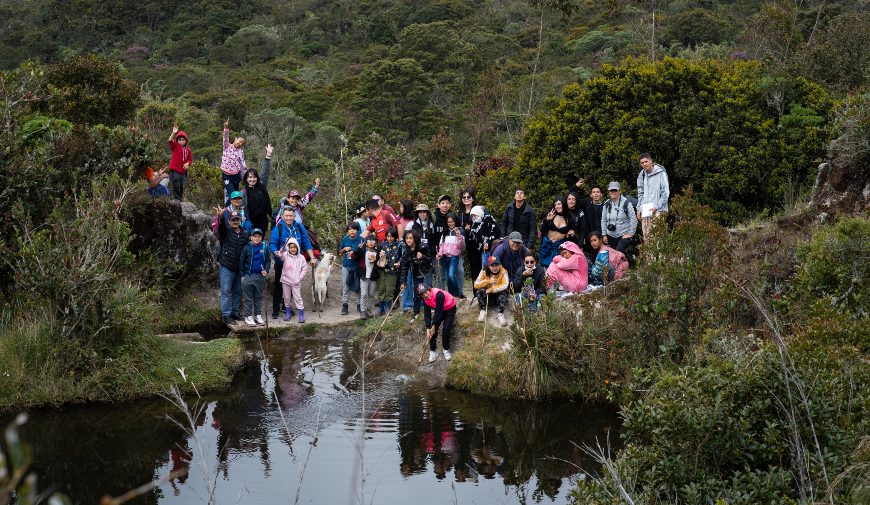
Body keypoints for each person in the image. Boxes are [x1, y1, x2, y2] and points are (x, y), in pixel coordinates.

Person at [269, 208, 317, 318]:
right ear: (282, 216)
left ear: (294, 216)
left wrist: (312, 257)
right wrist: (275, 252)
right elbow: (272, 243)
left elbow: (306, 242)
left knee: (291, 285)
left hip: (296, 263)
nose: (289, 218)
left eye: (291, 216)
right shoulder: (278, 229)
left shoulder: (299, 227)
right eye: (286, 216)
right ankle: (275, 309)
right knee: (279, 285)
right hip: (282, 262)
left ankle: (286, 308)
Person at [217, 211, 249, 324]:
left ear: (240, 220)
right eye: (233, 220)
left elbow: (247, 251)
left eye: (237, 219)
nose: (235, 222)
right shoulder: (226, 232)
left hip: (239, 267)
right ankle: (226, 315)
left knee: (237, 291)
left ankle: (235, 313)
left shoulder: (245, 234)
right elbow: (220, 229)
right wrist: (220, 217)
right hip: (226, 265)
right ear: (229, 221)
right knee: (226, 291)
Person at [399, 229, 434, 321]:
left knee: (428, 289)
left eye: (410, 238)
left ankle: (432, 308)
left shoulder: (423, 247)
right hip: (416, 273)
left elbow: (430, 259)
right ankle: (416, 312)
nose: (408, 240)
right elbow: (404, 268)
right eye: (406, 238)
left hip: (426, 271)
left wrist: (422, 257)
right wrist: (403, 282)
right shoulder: (406, 251)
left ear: (415, 238)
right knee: (417, 293)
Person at [239, 228, 270, 327]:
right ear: (251, 237)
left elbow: (268, 260)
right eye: (255, 236)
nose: (257, 238)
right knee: (248, 298)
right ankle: (248, 316)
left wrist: (266, 269)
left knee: (258, 297)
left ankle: (258, 315)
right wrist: (243, 275)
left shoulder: (265, 247)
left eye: (259, 236)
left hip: (260, 276)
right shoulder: (246, 248)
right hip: (248, 276)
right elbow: (241, 262)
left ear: (261, 237)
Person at [636, 153, 670, 241]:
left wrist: (657, 207)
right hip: (646, 211)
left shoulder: (661, 172)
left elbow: (665, 192)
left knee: (657, 240)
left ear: (651, 161)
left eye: (646, 161)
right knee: (647, 239)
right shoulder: (641, 175)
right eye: (642, 163)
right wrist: (639, 208)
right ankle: (648, 256)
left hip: (659, 210)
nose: (644, 164)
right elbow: (640, 193)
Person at [419, 284, 456, 363]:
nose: (425, 295)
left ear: (429, 289)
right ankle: (433, 351)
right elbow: (427, 313)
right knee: (431, 331)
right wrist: (428, 327)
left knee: (446, 328)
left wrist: (434, 325)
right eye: (422, 294)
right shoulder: (425, 299)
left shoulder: (439, 294)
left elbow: (438, 311)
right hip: (440, 309)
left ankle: (446, 349)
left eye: (426, 292)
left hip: (450, 308)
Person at [277, 237, 309, 322]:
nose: (293, 249)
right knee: (286, 297)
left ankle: (301, 314)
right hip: (286, 280)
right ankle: (288, 312)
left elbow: (305, 268)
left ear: (297, 247)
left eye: (294, 247)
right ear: (288, 248)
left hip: (296, 281)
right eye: (291, 247)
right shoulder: (285, 255)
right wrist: (280, 251)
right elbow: (280, 256)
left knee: (298, 298)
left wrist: (299, 278)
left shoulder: (301, 257)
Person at [601, 182, 637, 254]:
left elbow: (633, 219)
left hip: (623, 235)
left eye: (615, 190)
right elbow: (603, 220)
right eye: (611, 190)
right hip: (610, 234)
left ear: (619, 191)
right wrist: (604, 234)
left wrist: (631, 234)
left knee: (617, 254)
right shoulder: (607, 203)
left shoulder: (626, 203)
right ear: (609, 192)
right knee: (609, 255)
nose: (613, 192)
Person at [473, 256, 509, 326]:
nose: (495, 268)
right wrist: (488, 281)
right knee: (480, 291)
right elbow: (476, 284)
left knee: (503, 293)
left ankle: (500, 314)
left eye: (497, 265)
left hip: (497, 295)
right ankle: (483, 310)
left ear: (500, 265)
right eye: (492, 265)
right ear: (488, 266)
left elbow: (505, 285)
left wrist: (491, 290)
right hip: (487, 297)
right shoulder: (484, 271)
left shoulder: (503, 271)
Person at [539, 197, 574, 267]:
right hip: (547, 244)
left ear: (564, 204)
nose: (557, 206)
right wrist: (547, 220)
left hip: (559, 246)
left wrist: (572, 234)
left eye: (559, 204)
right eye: (555, 205)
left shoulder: (569, 218)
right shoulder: (551, 215)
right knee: (543, 266)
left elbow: (571, 237)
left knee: (555, 266)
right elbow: (542, 231)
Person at [338, 222, 364, 315]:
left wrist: (361, 249)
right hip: (346, 266)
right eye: (350, 229)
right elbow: (339, 252)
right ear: (348, 231)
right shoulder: (345, 239)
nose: (352, 231)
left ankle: (359, 305)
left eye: (354, 229)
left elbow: (364, 254)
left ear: (357, 230)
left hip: (357, 267)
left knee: (358, 287)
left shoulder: (361, 239)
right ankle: (345, 306)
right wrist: (344, 249)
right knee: (346, 287)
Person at [437, 213, 465, 298]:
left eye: (452, 222)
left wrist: (459, 236)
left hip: (454, 257)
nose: (450, 223)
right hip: (445, 257)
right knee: (448, 276)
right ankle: (450, 294)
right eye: (448, 222)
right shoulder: (445, 231)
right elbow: (441, 245)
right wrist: (440, 253)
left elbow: (462, 246)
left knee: (451, 275)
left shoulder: (459, 230)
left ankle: (457, 293)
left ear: (455, 221)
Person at [376, 227, 403, 316]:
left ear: (395, 237)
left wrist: (399, 262)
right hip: (383, 269)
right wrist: (380, 256)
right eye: (388, 236)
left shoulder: (399, 245)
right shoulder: (383, 244)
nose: (389, 238)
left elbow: (401, 257)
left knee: (390, 289)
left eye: (391, 236)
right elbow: (379, 256)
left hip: (393, 270)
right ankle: (381, 307)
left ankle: (388, 307)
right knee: (382, 288)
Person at [220, 118, 246, 204]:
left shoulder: (241, 151)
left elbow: (243, 164)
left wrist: (247, 174)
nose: (240, 144)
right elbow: (225, 138)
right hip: (227, 176)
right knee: (233, 194)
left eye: (242, 143)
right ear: (235, 139)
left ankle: (234, 212)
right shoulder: (227, 146)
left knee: (237, 195)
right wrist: (226, 128)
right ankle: (224, 211)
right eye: (240, 141)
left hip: (236, 176)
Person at [456, 188, 480, 281]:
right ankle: (475, 293)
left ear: (473, 198)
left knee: (480, 267)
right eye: (464, 197)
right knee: (472, 268)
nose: (466, 199)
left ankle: (481, 292)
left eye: (468, 197)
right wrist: (465, 230)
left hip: (478, 243)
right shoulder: (460, 214)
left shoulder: (478, 210)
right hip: (467, 244)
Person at [357, 235, 381, 320]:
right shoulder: (363, 250)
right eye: (369, 241)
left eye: (373, 241)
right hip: (364, 276)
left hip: (373, 277)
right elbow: (355, 256)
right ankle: (363, 311)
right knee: (363, 294)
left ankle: (368, 310)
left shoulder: (377, 252)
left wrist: (377, 259)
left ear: (375, 243)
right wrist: (358, 248)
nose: (371, 242)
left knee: (371, 294)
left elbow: (380, 264)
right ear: (366, 243)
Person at [241, 168, 271, 233]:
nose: (252, 179)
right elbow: (242, 208)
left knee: (261, 238)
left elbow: (265, 172)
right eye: (250, 177)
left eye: (254, 177)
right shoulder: (243, 192)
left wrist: (267, 159)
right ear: (246, 178)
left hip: (263, 220)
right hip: (251, 220)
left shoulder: (261, 187)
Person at [167, 125, 192, 200]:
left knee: (181, 186)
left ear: (186, 140)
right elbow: (170, 141)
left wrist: (188, 163)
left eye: (183, 140)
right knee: (176, 183)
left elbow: (190, 159)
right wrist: (173, 133)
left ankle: (180, 199)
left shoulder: (188, 150)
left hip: (183, 171)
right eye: (180, 140)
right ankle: (177, 199)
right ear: (177, 140)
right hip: (175, 170)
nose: (181, 141)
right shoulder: (175, 146)